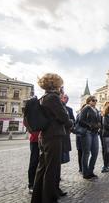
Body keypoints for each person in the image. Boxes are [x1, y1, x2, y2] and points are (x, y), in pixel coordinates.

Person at [31, 73, 73, 203]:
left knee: (42, 168)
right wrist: (71, 122)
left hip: (45, 136)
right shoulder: (53, 98)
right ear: (55, 84)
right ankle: (49, 198)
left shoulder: (44, 97)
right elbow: (64, 118)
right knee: (51, 170)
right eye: (60, 84)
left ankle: (37, 198)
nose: (61, 86)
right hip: (54, 136)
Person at [79, 96, 101, 179]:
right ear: (88, 101)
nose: (95, 102)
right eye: (93, 100)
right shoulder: (86, 108)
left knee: (95, 152)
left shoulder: (96, 110)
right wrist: (90, 125)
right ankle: (85, 173)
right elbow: (81, 120)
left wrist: (99, 124)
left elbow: (98, 120)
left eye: (96, 100)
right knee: (86, 153)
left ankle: (91, 171)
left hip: (95, 133)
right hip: (87, 132)